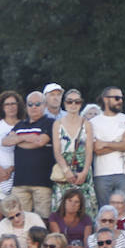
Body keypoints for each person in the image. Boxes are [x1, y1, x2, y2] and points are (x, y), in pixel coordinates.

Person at [7, 92, 57, 219]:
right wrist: (28, 137)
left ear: (45, 105)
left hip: (42, 182)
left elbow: (40, 141)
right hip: (20, 182)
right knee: (18, 218)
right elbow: (5, 141)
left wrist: (18, 140)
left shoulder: (50, 123)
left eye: (37, 104)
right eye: (30, 104)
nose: (33, 107)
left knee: (43, 219)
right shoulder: (20, 125)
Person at [88, 86, 125, 209]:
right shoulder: (93, 122)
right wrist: (120, 142)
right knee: (104, 211)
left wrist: (105, 143)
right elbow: (97, 150)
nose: (120, 101)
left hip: (124, 172)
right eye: (116, 98)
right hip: (101, 173)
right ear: (105, 99)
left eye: (121, 98)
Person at [51, 88, 95, 217]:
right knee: (62, 206)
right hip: (64, 168)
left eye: (77, 102)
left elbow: (89, 150)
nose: (73, 105)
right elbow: (57, 151)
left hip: (82, 167)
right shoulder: (57, 124)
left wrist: (85, 172)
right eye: (70, 102)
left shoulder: (87, 124)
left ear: (81, 104)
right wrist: (66, 170)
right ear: (65, 103)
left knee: (85, 206)